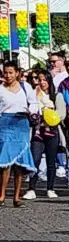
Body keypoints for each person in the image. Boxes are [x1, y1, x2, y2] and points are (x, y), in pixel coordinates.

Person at [0, 62, 38, 205]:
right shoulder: (1, 89)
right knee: (5, 161)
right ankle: (2, 194)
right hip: (5, 124)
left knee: (20, 162)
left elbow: (33, 103)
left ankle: (16, 196)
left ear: (17, 73)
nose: (8, 75)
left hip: (22, 123)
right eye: (6, 72)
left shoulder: (25, 87)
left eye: (11, 72)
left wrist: (33, 113)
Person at [25, 72, 66, 199]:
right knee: (35, 159)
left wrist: (50, 116)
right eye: (40, 80)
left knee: (51, 161)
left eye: (45, 80)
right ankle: (31, 188)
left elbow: (61, 113)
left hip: (52, 131)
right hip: (37, 131)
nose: (42, 83)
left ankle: (50, 188)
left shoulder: (56, 96)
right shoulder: (34, 96)